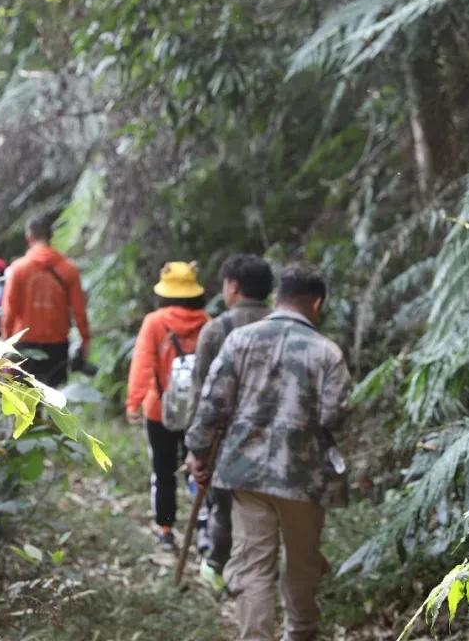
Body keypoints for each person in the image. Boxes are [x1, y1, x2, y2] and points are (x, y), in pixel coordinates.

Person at [187, 265, 351, 641]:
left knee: (254, 565)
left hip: (246, 474)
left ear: (278, 297)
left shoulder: (240, 340)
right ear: (317, 303)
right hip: (303, 478)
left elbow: (213, 402)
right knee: (302, 564)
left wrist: (198, 450)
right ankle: (300, 633)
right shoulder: (328, 353)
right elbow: (335, 416)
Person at [190, 254, 274, 592]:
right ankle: (261, 574)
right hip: (275, 437)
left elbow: (202, 395)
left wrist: (196, 448)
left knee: (222, 506)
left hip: (226, 439)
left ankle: (219, 569)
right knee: (266, 511)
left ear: (234, 287)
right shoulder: (285, 326)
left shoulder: (216, 330)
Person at [125, 261, 209, 551]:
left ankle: (165, 529)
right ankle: (203, 529)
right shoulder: (208, 323)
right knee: (198, 467)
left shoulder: (155, 322)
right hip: (198, 415)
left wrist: (133, 402)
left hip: (159, 410)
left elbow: (143, 363)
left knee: (162, 470)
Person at [0, 215, 90, 388]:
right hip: (58, 345)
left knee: (26, 404)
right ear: (51, 236)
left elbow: (9, 311)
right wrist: (85, 340)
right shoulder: (69, 269)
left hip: (25, 345)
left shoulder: (18, 269)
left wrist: (5, 343)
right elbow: (79, 311)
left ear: (29, 237)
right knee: (54, 403)